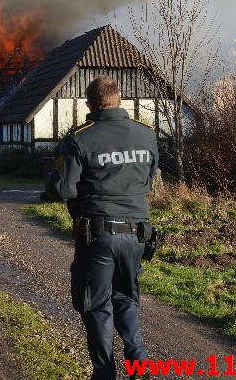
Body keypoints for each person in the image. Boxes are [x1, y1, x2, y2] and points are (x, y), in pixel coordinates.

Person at [44, 76, 158, 380]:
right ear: (119, 99)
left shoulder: (80, 137)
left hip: (98, 234)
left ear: (90, 103)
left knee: (95, 304)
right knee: (126, 298)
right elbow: (149, 180)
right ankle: (140, 366)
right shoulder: (146, 134)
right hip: (138, 233)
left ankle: (104, 373)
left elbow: (62, 189)